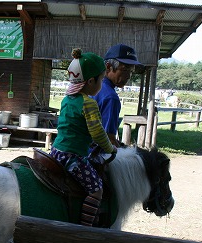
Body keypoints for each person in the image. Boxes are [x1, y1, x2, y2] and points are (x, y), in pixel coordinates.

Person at [50, 48, 117, 227]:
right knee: (96, 190)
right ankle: (84, 228)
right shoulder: (89, 103)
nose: (102, 83)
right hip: (73, 156)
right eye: (101, 79)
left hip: (56, 151)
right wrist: (110, 148)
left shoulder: (67, 99)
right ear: (90, 81)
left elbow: (75, 128)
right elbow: (97, 133)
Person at [92, 44, 142, 146]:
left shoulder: (90, 86)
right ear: (109, 67)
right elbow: (108, 140)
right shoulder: (111, 97)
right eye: (124, 70)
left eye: (131, 71)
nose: (128, 76)